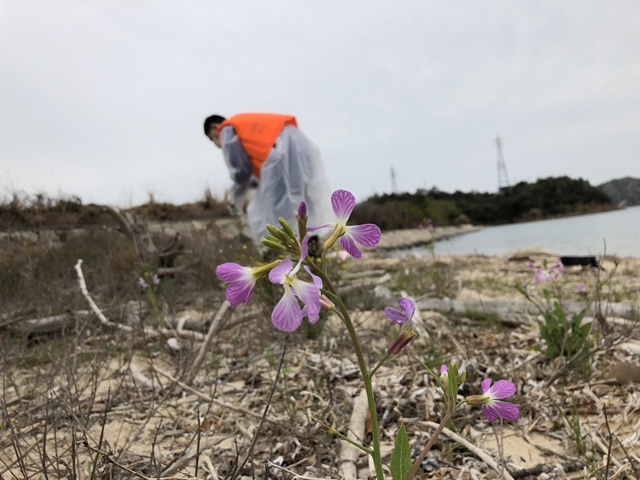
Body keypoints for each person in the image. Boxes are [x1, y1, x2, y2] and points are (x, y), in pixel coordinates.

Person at [203, 112, 333, 244]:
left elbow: (241, 171)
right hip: (302, 148)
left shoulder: (226, 129)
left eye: (212, 138)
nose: (215, 142)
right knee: (304, 203)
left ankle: (283, 251)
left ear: (214, 127)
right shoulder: (246, 126)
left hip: (282, 153)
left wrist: (235, 199)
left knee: (279, 209)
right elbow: (254, 175)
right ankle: (312, 247)